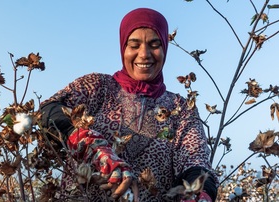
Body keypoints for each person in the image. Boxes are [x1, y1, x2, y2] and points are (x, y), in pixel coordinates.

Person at [41, 8, 218, 202]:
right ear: (123, 47)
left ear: (165, 47)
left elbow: (196, 163)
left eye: (154, 44)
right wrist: (95, 150)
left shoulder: (180, 109)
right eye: (134, 45)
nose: (144, 54)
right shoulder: (97, 87)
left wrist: (198, 195)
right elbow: (48, 111)